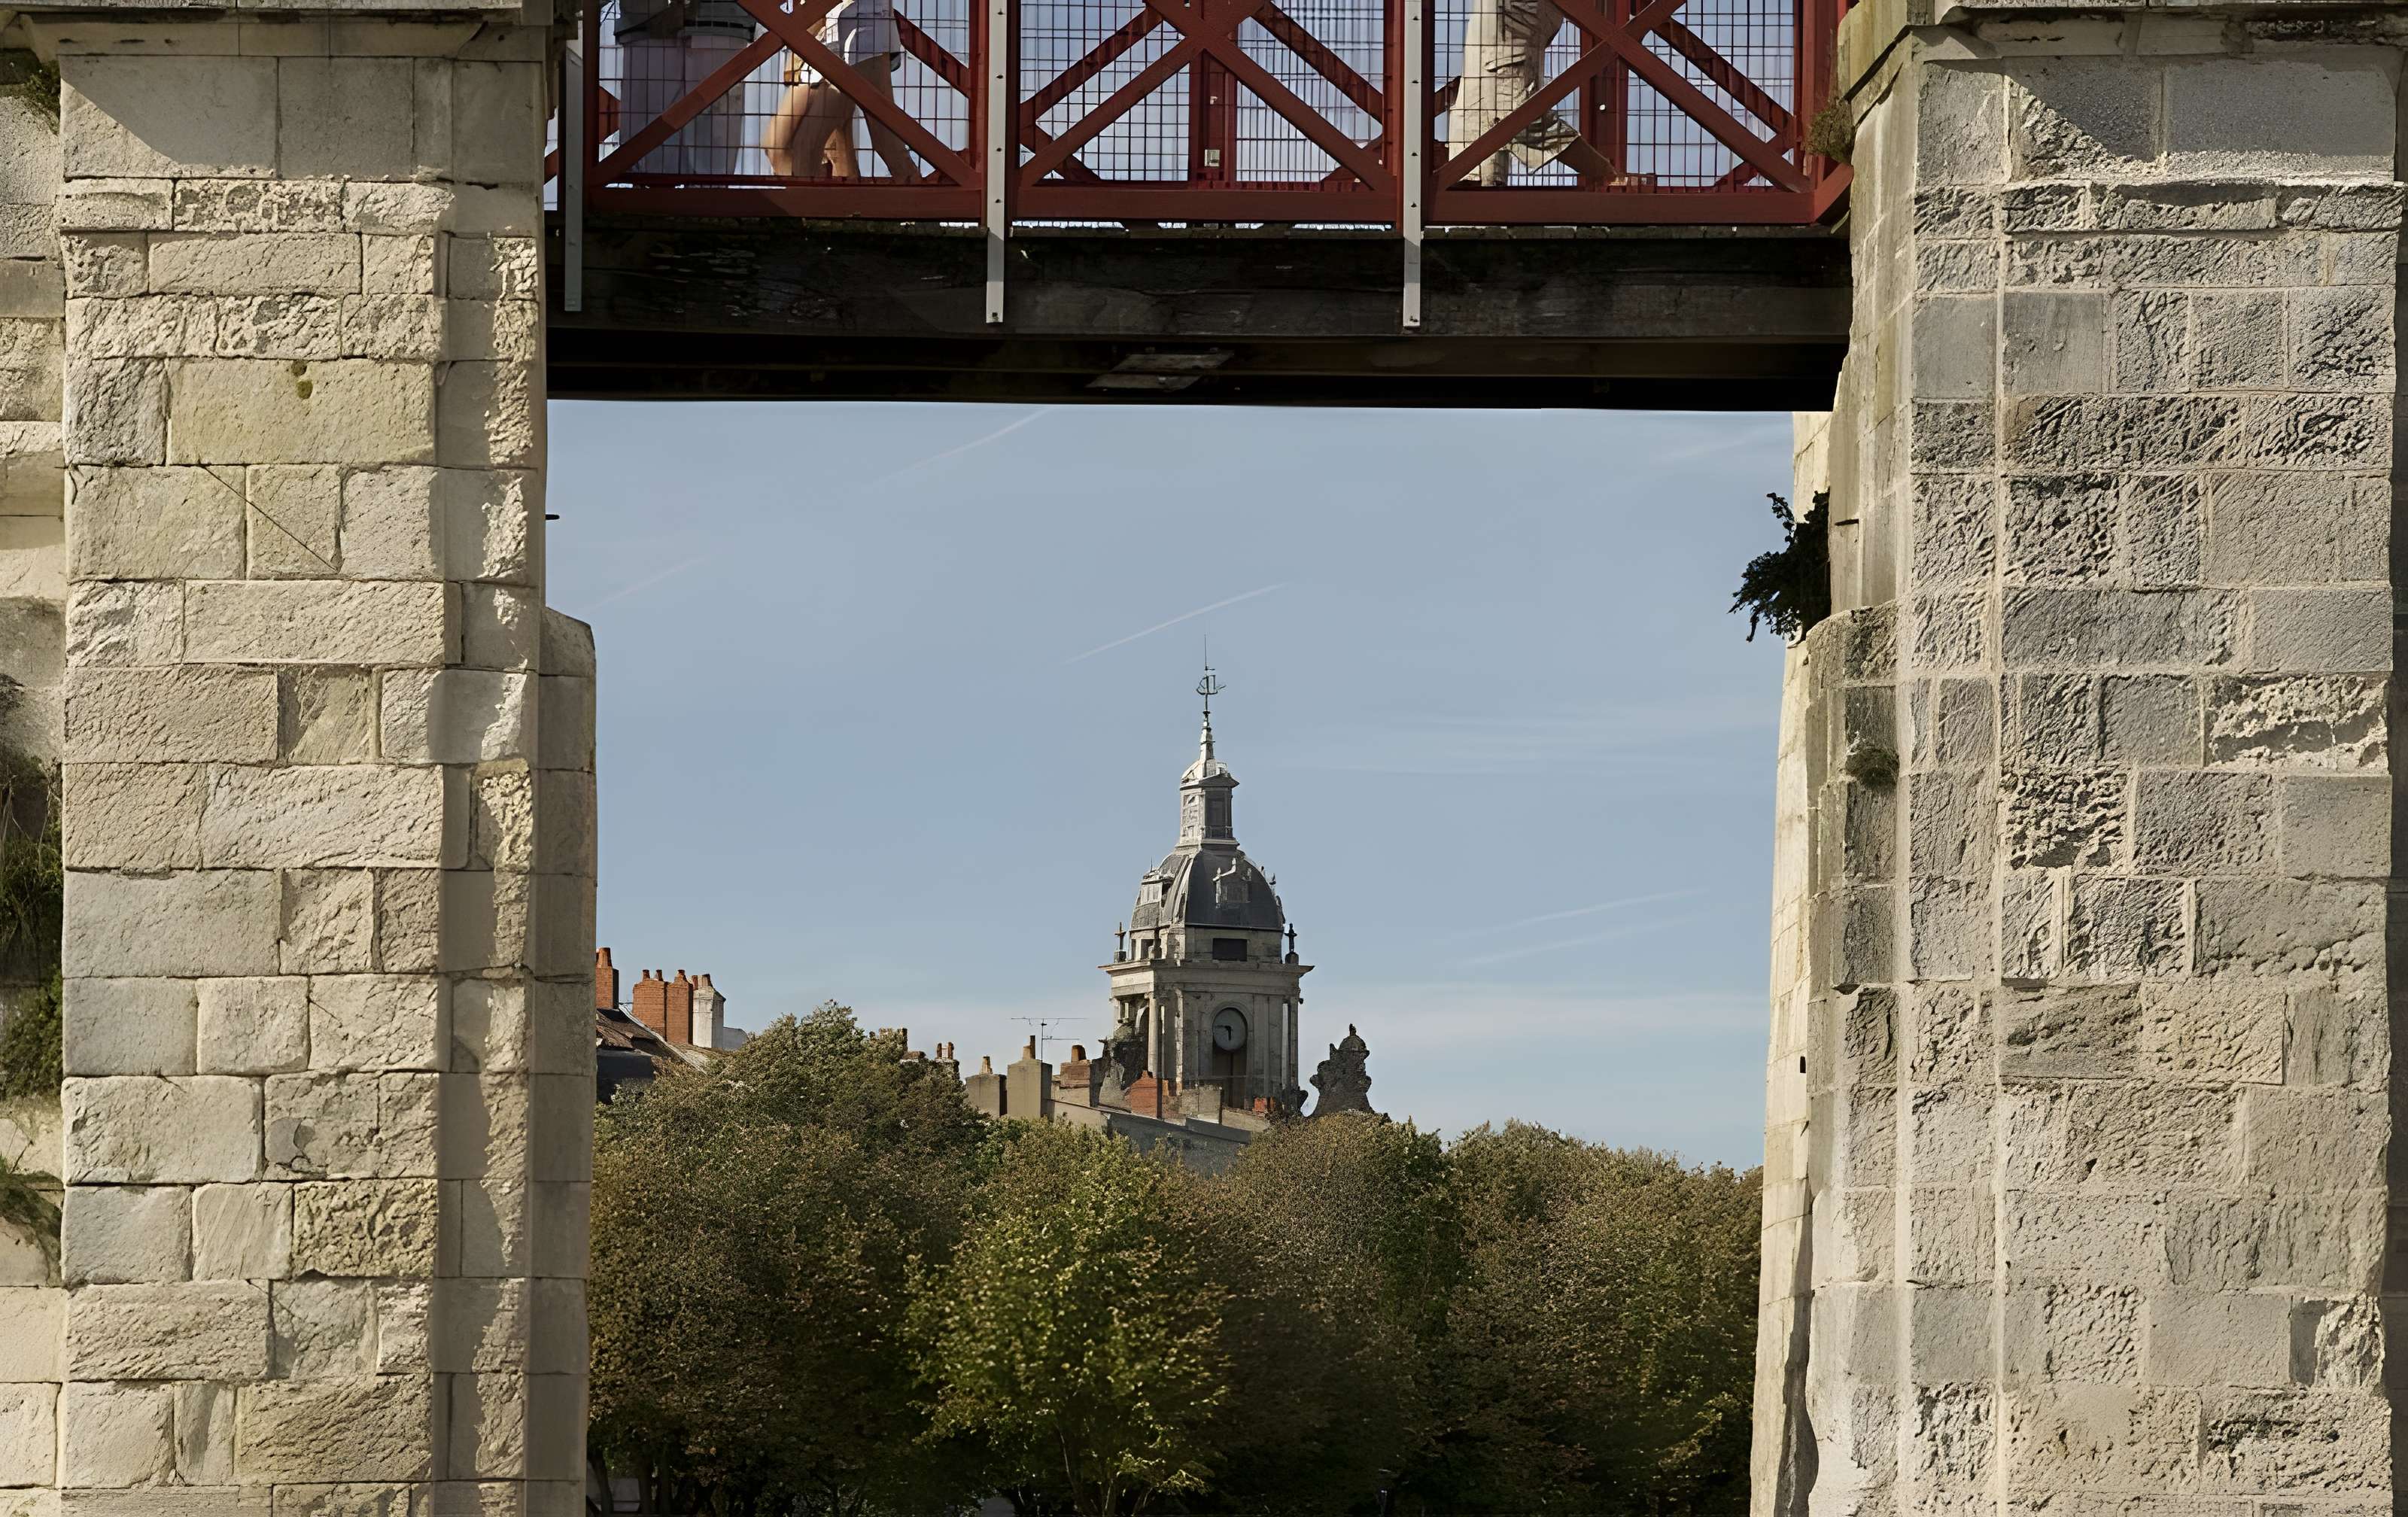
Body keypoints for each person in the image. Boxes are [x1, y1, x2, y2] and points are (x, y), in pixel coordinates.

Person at [1448, 0, 1638, 187]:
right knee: (1485, 109)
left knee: (1493, 102)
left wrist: (1601, 170)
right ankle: (1478, 180)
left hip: (1509, 21)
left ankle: (1477, 180)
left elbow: (1519, 118)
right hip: (1510, 23)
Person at [760, 0, 925, 181]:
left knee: (813, 143)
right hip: (824, 36)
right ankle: (833, 204)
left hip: (862, 33)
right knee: (782, 144)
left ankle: (922, 203)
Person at [616, 0, 759, 178]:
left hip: (649, 23)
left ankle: (652, 186)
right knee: (714, 133)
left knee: (651, 132)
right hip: (720, 22)